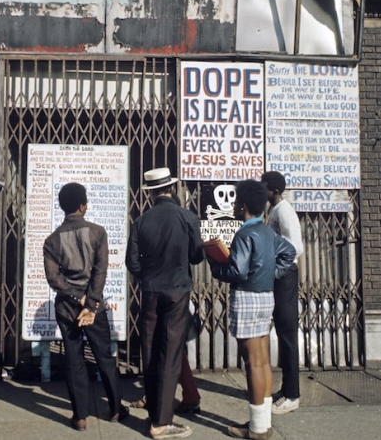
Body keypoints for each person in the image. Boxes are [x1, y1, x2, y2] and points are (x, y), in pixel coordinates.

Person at [208, 180, 296, 440]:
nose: (235, 206)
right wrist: (270, 274)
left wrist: (215, 265)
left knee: (252, 364)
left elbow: (238, 270)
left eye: (236, 203)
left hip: (246, 298)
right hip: (266, 297)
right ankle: (262, 423)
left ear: (243, 205)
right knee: (263, 361)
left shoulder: (245, 234)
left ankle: (257, 429)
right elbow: (289, 252)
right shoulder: (268, 232)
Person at [43, 182, 128, 431]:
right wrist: (89, 303)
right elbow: (100, 272)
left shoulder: (52, 240)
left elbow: (54, 278)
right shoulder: (98, 233)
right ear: (83, 206)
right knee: (104, 356)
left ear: (62, 206)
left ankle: (80, 417)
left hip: (67, 308)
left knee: (74, 359)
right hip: (94, 307)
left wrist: (75, 297)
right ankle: (115, 409)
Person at [126, 168, 205, 440]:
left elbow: (132, 262)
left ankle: (154, 413)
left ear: (150, 193)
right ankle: (160, 423)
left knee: (149, 351)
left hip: (150, 292)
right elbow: (196, 256)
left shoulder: (141, 221)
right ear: (171, 188)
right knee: (170, 353)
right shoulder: (187, 217)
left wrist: (148, 276)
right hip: (177, 292)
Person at [260, 171, 304, 415]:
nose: (262, 191)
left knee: (287, 333)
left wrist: (277, 266)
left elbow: (296, 246)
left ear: (274, 191)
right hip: (280, 275)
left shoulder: (284, 211)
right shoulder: (274, 210)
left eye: (265, 187)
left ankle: (292, 395)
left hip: (285, 275)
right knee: (282, 330)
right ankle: (287, 389)